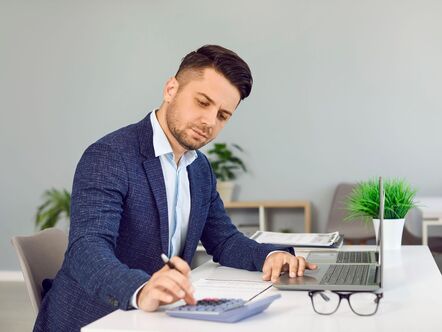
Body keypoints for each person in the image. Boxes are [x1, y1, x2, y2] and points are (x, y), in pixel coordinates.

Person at [33, 45, 317, 331]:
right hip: (94, 318)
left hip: (158, 317)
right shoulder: (110, 155)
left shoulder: (200, 168)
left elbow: (225, 240)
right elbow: (87, 249)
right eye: (202, 102)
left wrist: (271, 256)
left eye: (222, 115)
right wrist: (141, 289)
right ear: (171, 89)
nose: (209, 121)